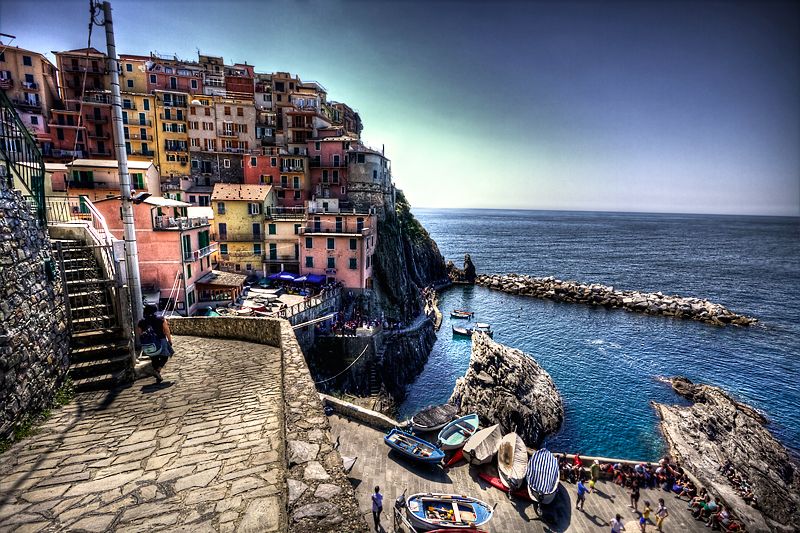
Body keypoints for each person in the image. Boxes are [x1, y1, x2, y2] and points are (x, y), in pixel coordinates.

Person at [137, 304, 174, 383]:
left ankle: (158, 375)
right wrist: (170, 340)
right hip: (161, 340)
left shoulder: (141, 321)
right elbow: (166, 330)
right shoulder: (160, 319)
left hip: (149, 343)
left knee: (154, 358)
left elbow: (140, 333)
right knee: (165, 355)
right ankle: (157, 371)